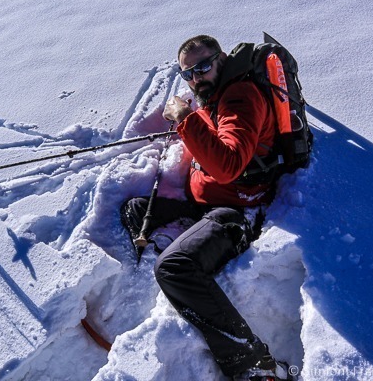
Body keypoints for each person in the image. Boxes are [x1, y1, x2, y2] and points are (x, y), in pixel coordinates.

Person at [121, 35, 293, 380]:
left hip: (237, 214)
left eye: (203, 66)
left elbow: (228, 164)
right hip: (208, 206)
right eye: (188, 74)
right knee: (137, 210)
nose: (196, 78)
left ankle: (253, 364)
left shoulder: (240, 98)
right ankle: (179, 278)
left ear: (222, 58)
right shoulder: (218, 95)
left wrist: (186, 118)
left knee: (174, 268)